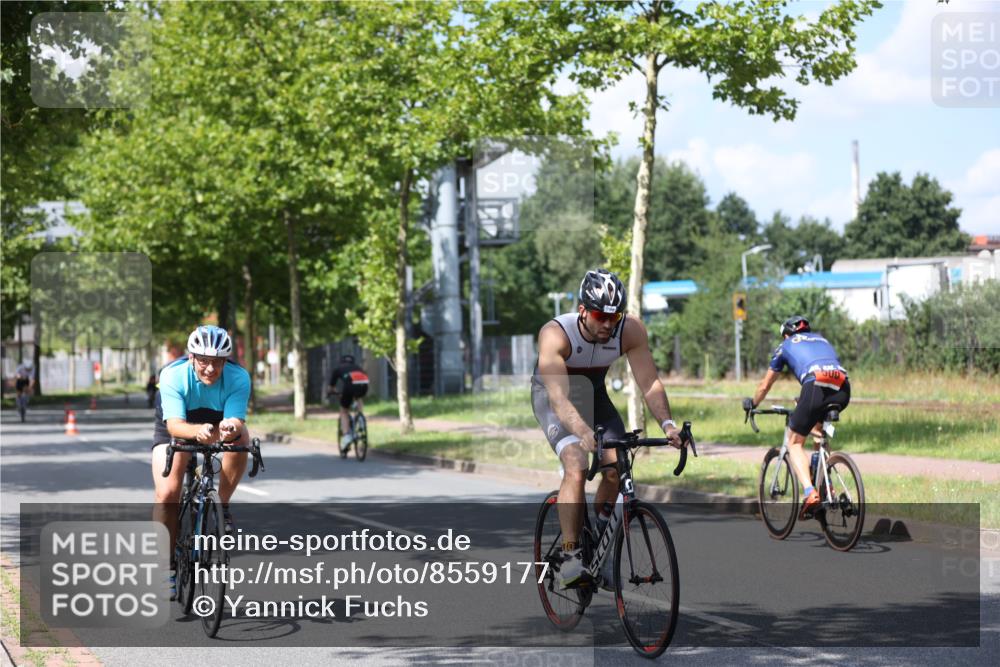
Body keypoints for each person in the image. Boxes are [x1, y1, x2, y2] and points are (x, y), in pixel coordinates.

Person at [532, 268, 683, 588]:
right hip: (553, 396)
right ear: (583, 310)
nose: (607, 325)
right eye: (601, 316)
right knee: (576, 463)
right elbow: (558, 398)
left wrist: (668, 425)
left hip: (595, 395)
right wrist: (583, 433)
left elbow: (649, 382)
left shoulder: (630, 330)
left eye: (615, 318)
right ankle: (571, 557)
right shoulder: (556, 334)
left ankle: (599, 539)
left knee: (617, 467)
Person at [151, 325, 251, 597]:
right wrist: (196, 431)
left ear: (226, 361)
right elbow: (174, 425)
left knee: (242, 441)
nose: (210, 368)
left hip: (216, 416)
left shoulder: (238, 377)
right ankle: (164, 567)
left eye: (217, 362)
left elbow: (235, 420)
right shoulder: (173, 375)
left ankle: (223, 505)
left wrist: (230, 428)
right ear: (192, 358)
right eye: (203, 361)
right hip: (179, 421)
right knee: (168, 493)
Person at [744, 315, 851, 519]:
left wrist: (753, 404)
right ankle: (826, 487)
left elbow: (765, 385)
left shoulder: (785, 345)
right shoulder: (821, 339)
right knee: (817, 432)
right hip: (843, 387)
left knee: (794, 443)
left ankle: (810, 493)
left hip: (815, 387)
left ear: (786, 334)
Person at [327, 354, 369, 453]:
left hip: (349, 385)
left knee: (344, 411)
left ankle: (346, 436)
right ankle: (360, 419)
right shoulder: (358, 368)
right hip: (364, 384)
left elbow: (331, 388)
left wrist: (333, 393)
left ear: (341, 362)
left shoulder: (338, 369)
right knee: (358, 398)